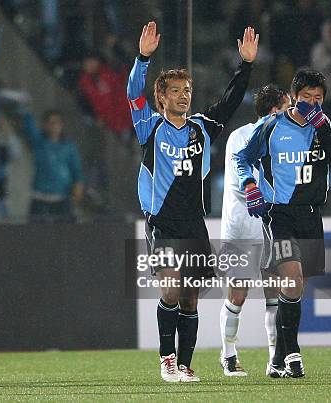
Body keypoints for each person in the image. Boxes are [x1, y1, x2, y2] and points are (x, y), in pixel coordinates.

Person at [127, 21, 258, 382]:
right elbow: (133, 93)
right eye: (175, 90)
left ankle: (185, 364)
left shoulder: (201, 127)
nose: (184, 95)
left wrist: (245, 66)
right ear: (162, 97)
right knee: (170, 288)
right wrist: (143, 58)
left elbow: (230, 103)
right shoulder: (149, 127)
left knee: (190, 298)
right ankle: (167, 360)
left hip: (193, 224)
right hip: (163, 224)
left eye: (187, 89)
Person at [234, 70, 331, 378]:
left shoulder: (323, 126)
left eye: (319, 99)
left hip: (311, 214)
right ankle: (293, 353)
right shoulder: (271, 126)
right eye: (306, 98)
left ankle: (276, 358)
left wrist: (324, 128)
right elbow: (242, 158)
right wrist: (250, 186)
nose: (313, 104)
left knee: (296, 288)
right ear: (294, 96)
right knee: (292, 277)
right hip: (280, 214)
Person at [219, 85, 291, 377]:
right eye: (287, 108)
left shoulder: (285, 140)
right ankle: (229, 355)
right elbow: (242, 180)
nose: (292, 114)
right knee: (238, 295)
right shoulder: (241, 136)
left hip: (271, 225)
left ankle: (276, 359)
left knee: (274, 295)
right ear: (274, 111)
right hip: (242, 226)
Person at [20, 108, 84, 223]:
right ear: (45, 125)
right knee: (36, 235)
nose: (54, 126)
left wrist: (78, 185)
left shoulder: (69, 147)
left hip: (61, 199)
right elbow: (29, 128)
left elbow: (76, 170)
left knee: (65, 234)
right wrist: (25, 111)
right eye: (51, 123)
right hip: (40, 198)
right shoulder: (39, 142)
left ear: (62, 125)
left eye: (57, 122)